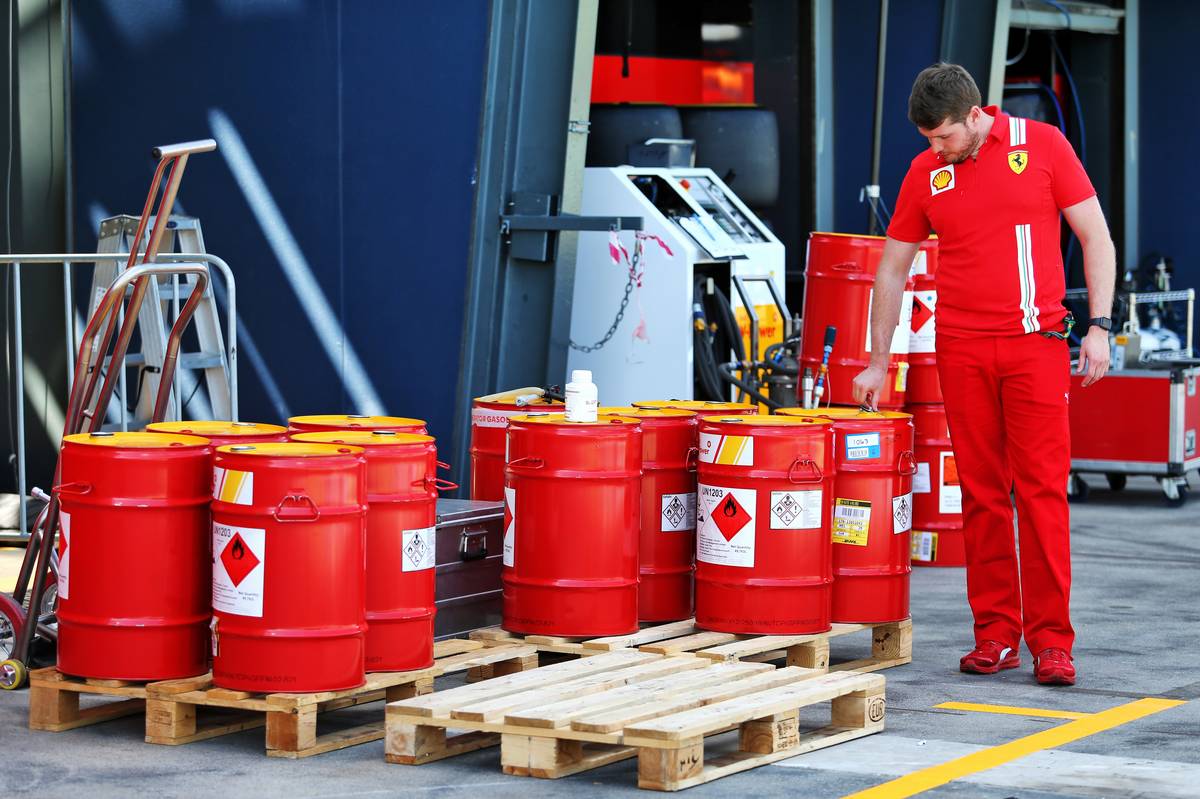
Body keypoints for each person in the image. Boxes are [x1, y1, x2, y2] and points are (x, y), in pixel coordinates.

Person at [853, 63, 1114, 686]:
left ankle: (1052, 642)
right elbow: (891, 270)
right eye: (926, 139)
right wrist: (877, 359)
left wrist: (1101, 325)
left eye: (942, 136)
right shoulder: (926, 171)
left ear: (976, 115)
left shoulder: (1043, 145)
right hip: (962, 352)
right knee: (982, 495)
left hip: (1036, 346)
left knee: (1044, 492)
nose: (933, 148)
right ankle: (996, 634)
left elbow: (1096, 237)